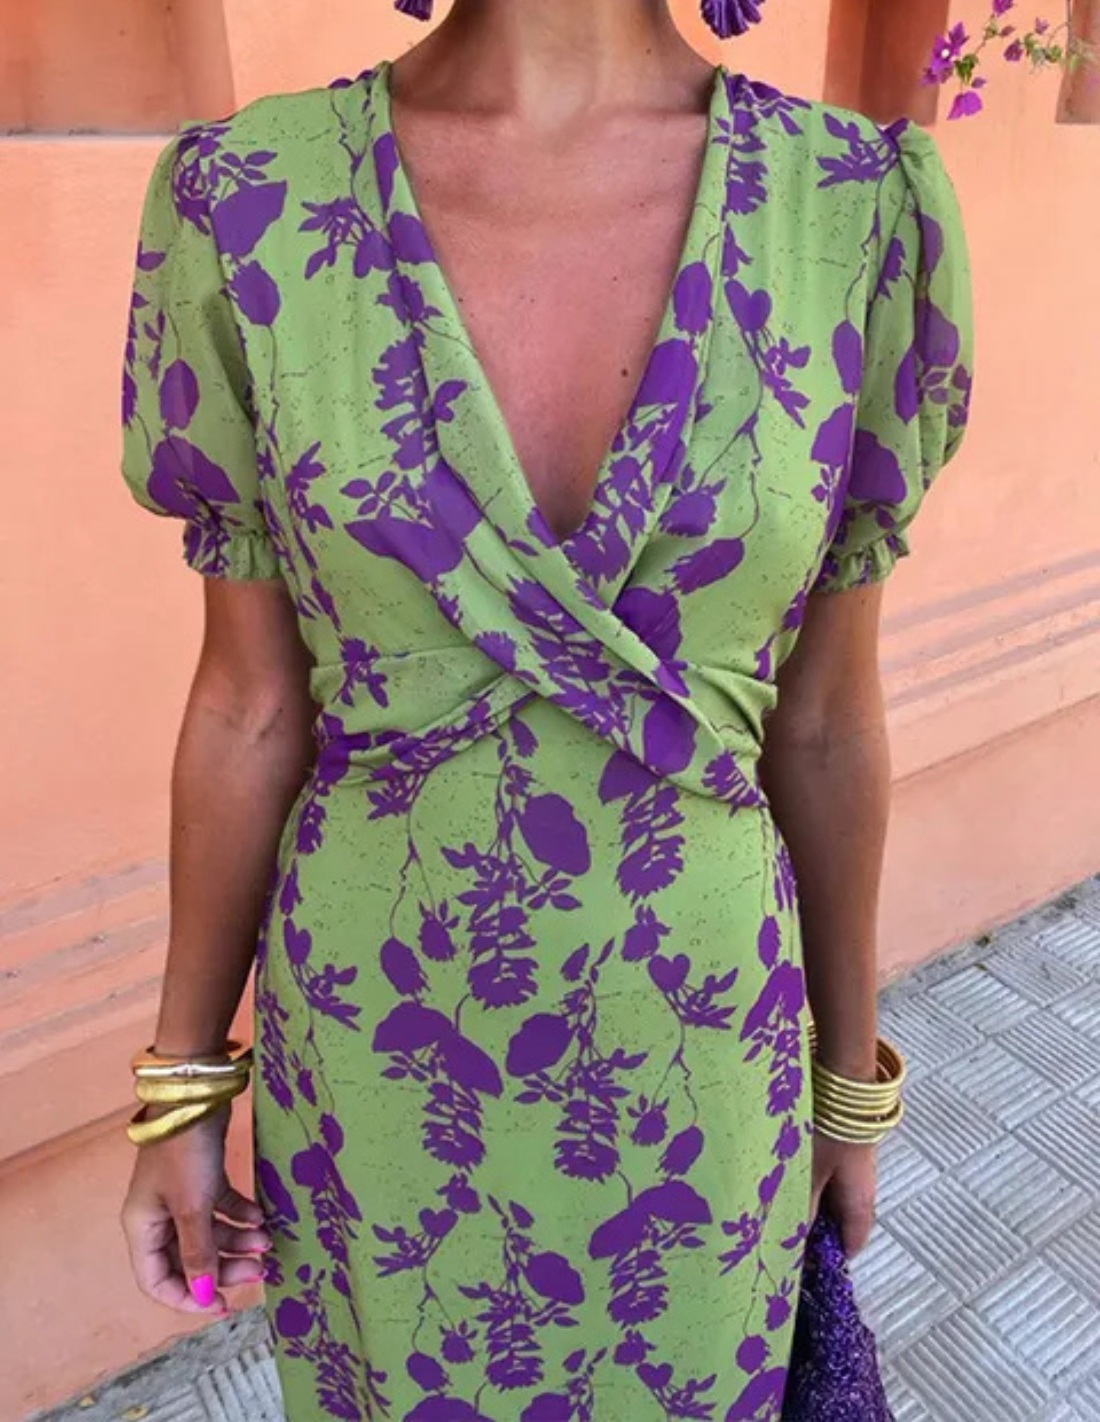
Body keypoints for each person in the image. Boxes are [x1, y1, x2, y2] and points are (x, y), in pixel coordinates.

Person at [117, 0, 973, 1417]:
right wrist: (185, 1088)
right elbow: (249, 707)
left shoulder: (853, 211)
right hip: (382, 1067)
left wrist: (847, 1087)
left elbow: (823, 721)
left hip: (703, 1068)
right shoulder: (249, 202)